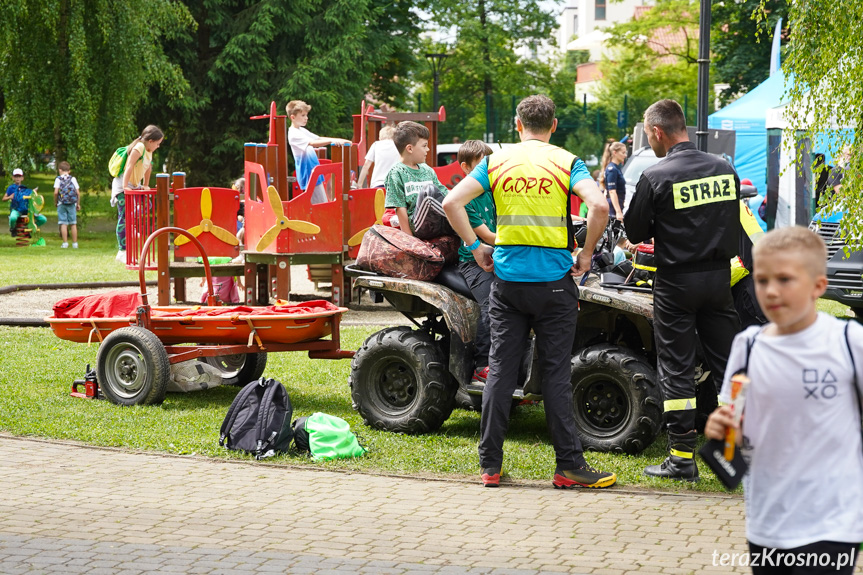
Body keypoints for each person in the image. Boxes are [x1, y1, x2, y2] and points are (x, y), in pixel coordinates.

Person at [442, 94, 616, 489]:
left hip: (507, 284)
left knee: (501, 371)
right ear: (554, 126)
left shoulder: (496, 161)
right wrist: (586, 254)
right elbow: (600, 207)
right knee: (555, 374)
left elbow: (451, 202)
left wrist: (475, 246)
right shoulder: (567, 161)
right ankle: (569, 467)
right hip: (555, 285)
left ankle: (490, 467)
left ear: (517, 126)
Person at [705, 227, 863, 574]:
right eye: (761, 280)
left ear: (818, 286)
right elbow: (733, 431)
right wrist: (721, 428)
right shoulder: (747, 346)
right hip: (767, 522)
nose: (771, 291)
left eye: (785, 279)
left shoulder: (849, 342)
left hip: (832, 522)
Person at [624, 99, 740, 481]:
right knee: (729, 365)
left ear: (657, 131)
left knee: (677, 367)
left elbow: (635, 232)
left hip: (676, 281)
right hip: (719, 278)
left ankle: (681, 458)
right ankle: (736, 453)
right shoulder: (724, 169)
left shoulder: (657, 176)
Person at [454, 140, 495, 385]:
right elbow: (487, 236)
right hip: (474, 261)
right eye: (482, 165)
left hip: (498, 255)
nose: (488, 171)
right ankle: (482, 365)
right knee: (493, 303)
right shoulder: (465, 198)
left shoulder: (491, 192)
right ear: (466, 168)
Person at [383, 121, 449, 237]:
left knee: (465, 201)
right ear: (410, 148)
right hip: (418, 225)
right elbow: (400, 209)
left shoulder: (427, 170)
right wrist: (409, 240)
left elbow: (445, 194)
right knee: (429, 192)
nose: (427, 149)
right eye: (424, 146)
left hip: (438, 222)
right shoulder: (396, 173)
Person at [111, 125, 164, 263]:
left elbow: (148, 167)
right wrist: (124, 187)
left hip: (135, 185)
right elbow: (129, 166)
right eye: (158, 143)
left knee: (147, 204)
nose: (158, 146)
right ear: (151, 141)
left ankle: (131, 224)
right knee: (123, 216)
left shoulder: (148, 150)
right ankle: (122, 251)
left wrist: (146, 184)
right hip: (123, 186)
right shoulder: (139, 147)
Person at [286, 100, 351, 204]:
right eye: (303, 115)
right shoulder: (293, 133)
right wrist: (331, 141)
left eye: (306, 115)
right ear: (293, 117)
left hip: (314, 172)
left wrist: (338, 140)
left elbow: (318, 138)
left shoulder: (301, 130)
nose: (306, 118)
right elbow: (312, 143)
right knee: (320, 204)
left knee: (321, 203)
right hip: (308, 173)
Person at [3, 168, 47, 236]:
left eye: (19, 176)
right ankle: (13, 229)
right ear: (13, 177)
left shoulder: (25, 189)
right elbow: (3, 199)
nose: (18, 178)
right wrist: (9, 197)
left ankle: (29, 229)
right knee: (12, 218)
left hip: (27, 210)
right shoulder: (10, 188)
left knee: (43, 219)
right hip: (16, 209)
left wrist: (34, 192)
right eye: (16, 176)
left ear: (22, 178)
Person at [355, 125, 399, 189]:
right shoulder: (398, 146)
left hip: (378, 183)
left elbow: (366, 165)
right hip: (394, 183)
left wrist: (359, 184)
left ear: (380, 137)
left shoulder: (376, 145)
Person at [53, 161, 81, 249]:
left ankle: (65, 243)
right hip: (72, 203)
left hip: (62, 203)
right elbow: (78, 193)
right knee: (73, 224)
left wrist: (56, 202)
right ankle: (75, 243)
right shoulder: (73, 179)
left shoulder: (58, 179)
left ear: (60, 170)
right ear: (69, 171)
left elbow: (56, 192)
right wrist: (78, 204)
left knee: (63, 223)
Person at [600, 142, 628, 220]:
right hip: (613, 207)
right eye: (623, 152)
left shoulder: (616, 168)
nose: (625, 155)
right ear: (615, 153)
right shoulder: (612, 169)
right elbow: (612, 191)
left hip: (617, 204)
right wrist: (618, 212)